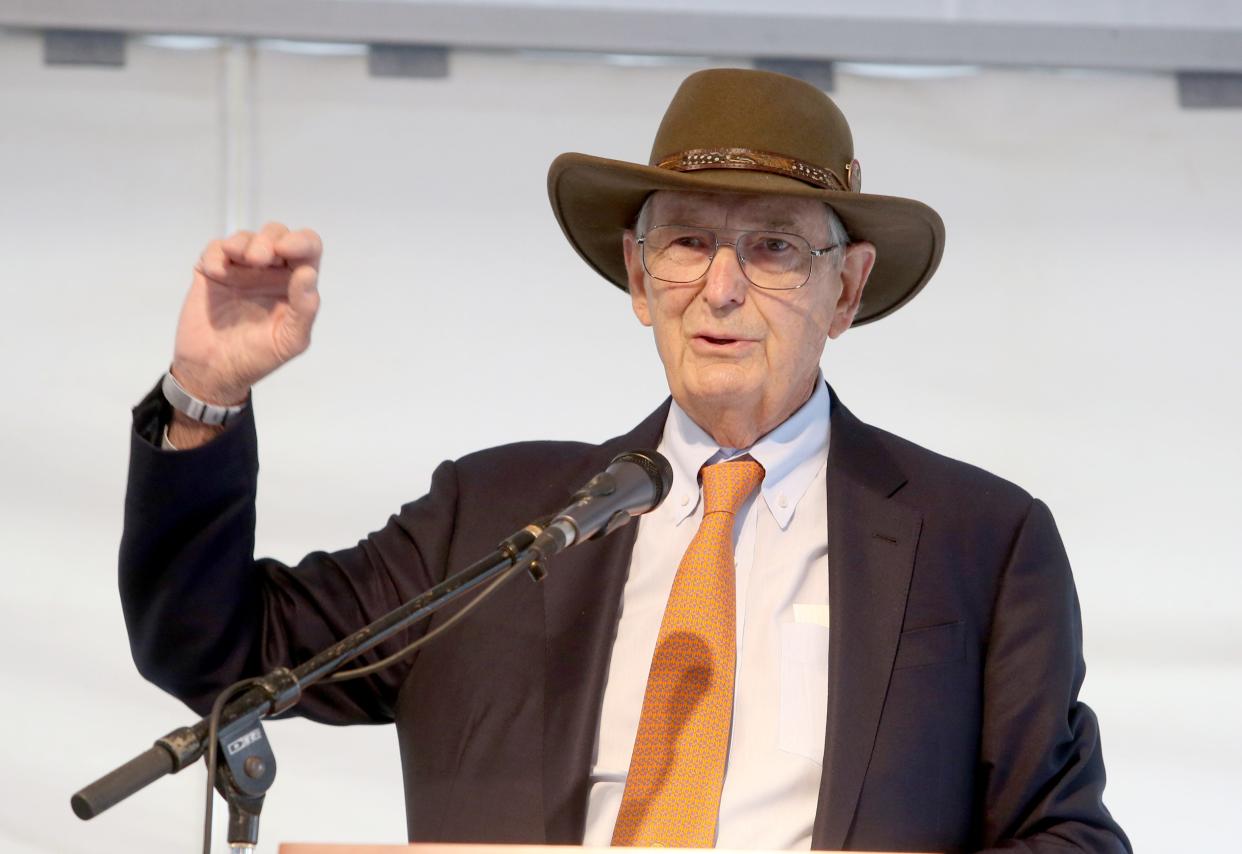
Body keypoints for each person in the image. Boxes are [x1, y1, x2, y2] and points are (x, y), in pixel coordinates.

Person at [120, 68, 1130, 852]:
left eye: (775, 248)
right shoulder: (494, 513)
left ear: (848, 289)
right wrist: (206, 395)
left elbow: (1064, 831)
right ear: (641, 279)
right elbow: (217, 651)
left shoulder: (978, 541)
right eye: (687, 243)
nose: (722, 289)